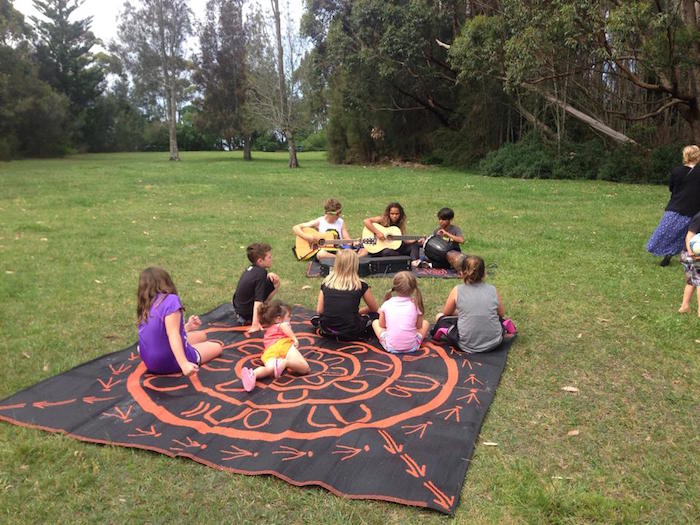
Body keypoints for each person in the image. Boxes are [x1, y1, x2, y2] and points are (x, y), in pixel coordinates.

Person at [137, 267, 223, 375]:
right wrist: (184, 364)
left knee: (202, 336)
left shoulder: (146, 304)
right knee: (217, 347)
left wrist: (187, 327)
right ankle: (185, 356)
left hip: (150, 361)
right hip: (167, 360)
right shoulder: (170, 300)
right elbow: (172, 334)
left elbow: (160, 331)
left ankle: (185, 350)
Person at [436, 255, 507, 353]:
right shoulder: (492, 289)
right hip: (494, 342)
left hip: (466, 345)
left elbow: (446, 313)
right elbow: (502, 313)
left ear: (462, 272)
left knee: (439, 316)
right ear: (484, 274)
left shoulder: (457, 290)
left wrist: (462, 311)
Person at [646, 145, 700, 266]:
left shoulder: (677, 171)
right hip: (694, 209)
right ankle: (689, 256)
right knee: (689, 234)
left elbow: (672, 188)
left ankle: (667, 255)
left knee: (667, 232)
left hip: (676, 206)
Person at [239, 300, 310, 392]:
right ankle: (285, 363)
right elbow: (284, 326)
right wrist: (294, 337)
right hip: (283, 344)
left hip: (269, 351)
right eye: (288, 316)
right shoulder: (281, 324)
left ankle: (253, 374)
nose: (290, 319)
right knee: (305, 368)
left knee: (269, 369)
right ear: (278, 319)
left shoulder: (269, 331)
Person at [315, 249, 379, 339]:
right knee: (375, 316)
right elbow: (374, 308)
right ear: (355, 265)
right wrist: (358, 312)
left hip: (327, 328)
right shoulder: (360, 285)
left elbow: (320, 310)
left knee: (324, 317)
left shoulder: (326, 283)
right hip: (352, 330)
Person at [372, 271, 430, 353]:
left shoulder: (387, 304)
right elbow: (419, 326)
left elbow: (382, 325)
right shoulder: (416, 305)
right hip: (412, 347)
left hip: (390, 347)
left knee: (375, 322)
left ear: (395, 287)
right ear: (413, 289)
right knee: (426, 323)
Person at [232, 243, 280, 332]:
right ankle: (259, 315)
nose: (271, 259)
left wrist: (269, 275)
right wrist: (255, 324)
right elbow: (258, 300)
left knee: (274, 281)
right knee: (279, 311)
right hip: (247, 313)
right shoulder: (261, 273)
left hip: (239, 309)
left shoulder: (251, 269)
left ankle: (263, 309)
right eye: (269, 257)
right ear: (260, 261)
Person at [679, 211, 700, 315]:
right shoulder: (699, 217)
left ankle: (684, 306)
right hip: (690, 254)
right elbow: (690, 235)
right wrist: (691, 253)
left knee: (692, 282)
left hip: (691, 255)